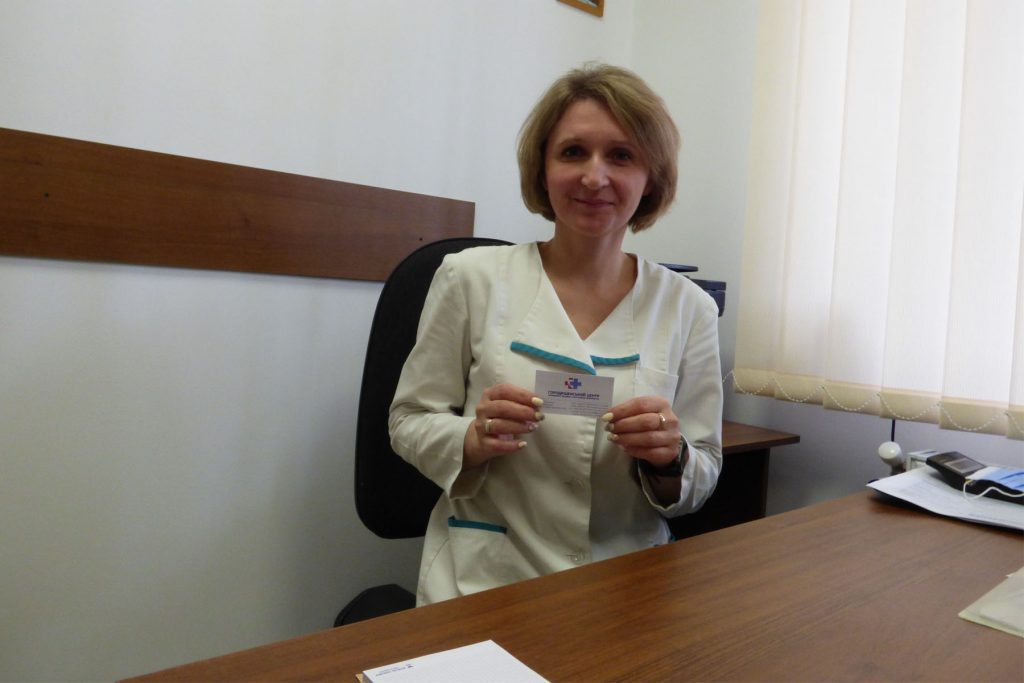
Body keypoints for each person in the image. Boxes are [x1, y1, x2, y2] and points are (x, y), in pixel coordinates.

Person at [389, 63, 723, 605]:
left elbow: (703, 468)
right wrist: (470, 439)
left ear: (652, 177)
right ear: (542, 169)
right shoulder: (469, 278)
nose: (594, 177)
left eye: (621, 155)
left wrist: (670, 459)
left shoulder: (690, 308)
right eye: (573, 152)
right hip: (487, 579)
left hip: (627, 585)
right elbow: (407, 420)